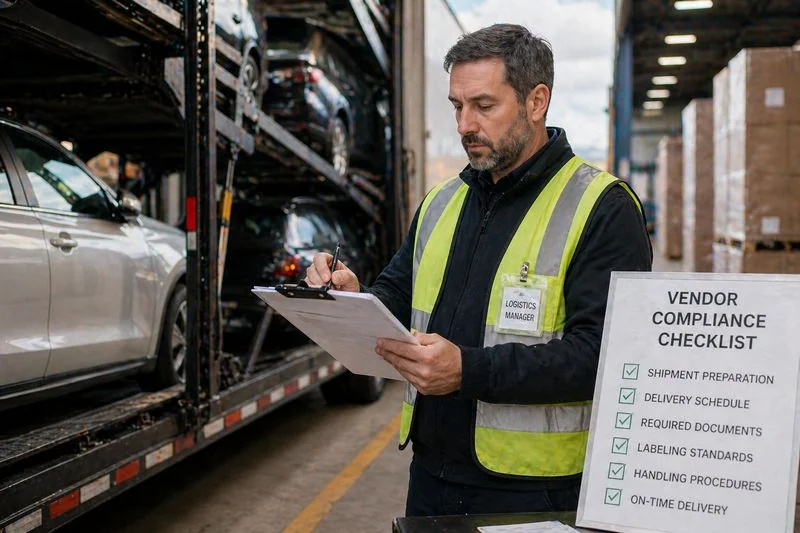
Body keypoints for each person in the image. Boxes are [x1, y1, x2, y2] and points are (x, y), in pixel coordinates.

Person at [304, 24, 652, 516]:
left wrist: (468, 371)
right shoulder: (442, 202)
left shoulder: (602, 207)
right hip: (431, 474)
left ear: (536, 101)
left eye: (484, 106)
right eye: (457, 106)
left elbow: (606, 356)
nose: (465, 124)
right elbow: (397, 298)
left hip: (536, 492)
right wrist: (352, 295)